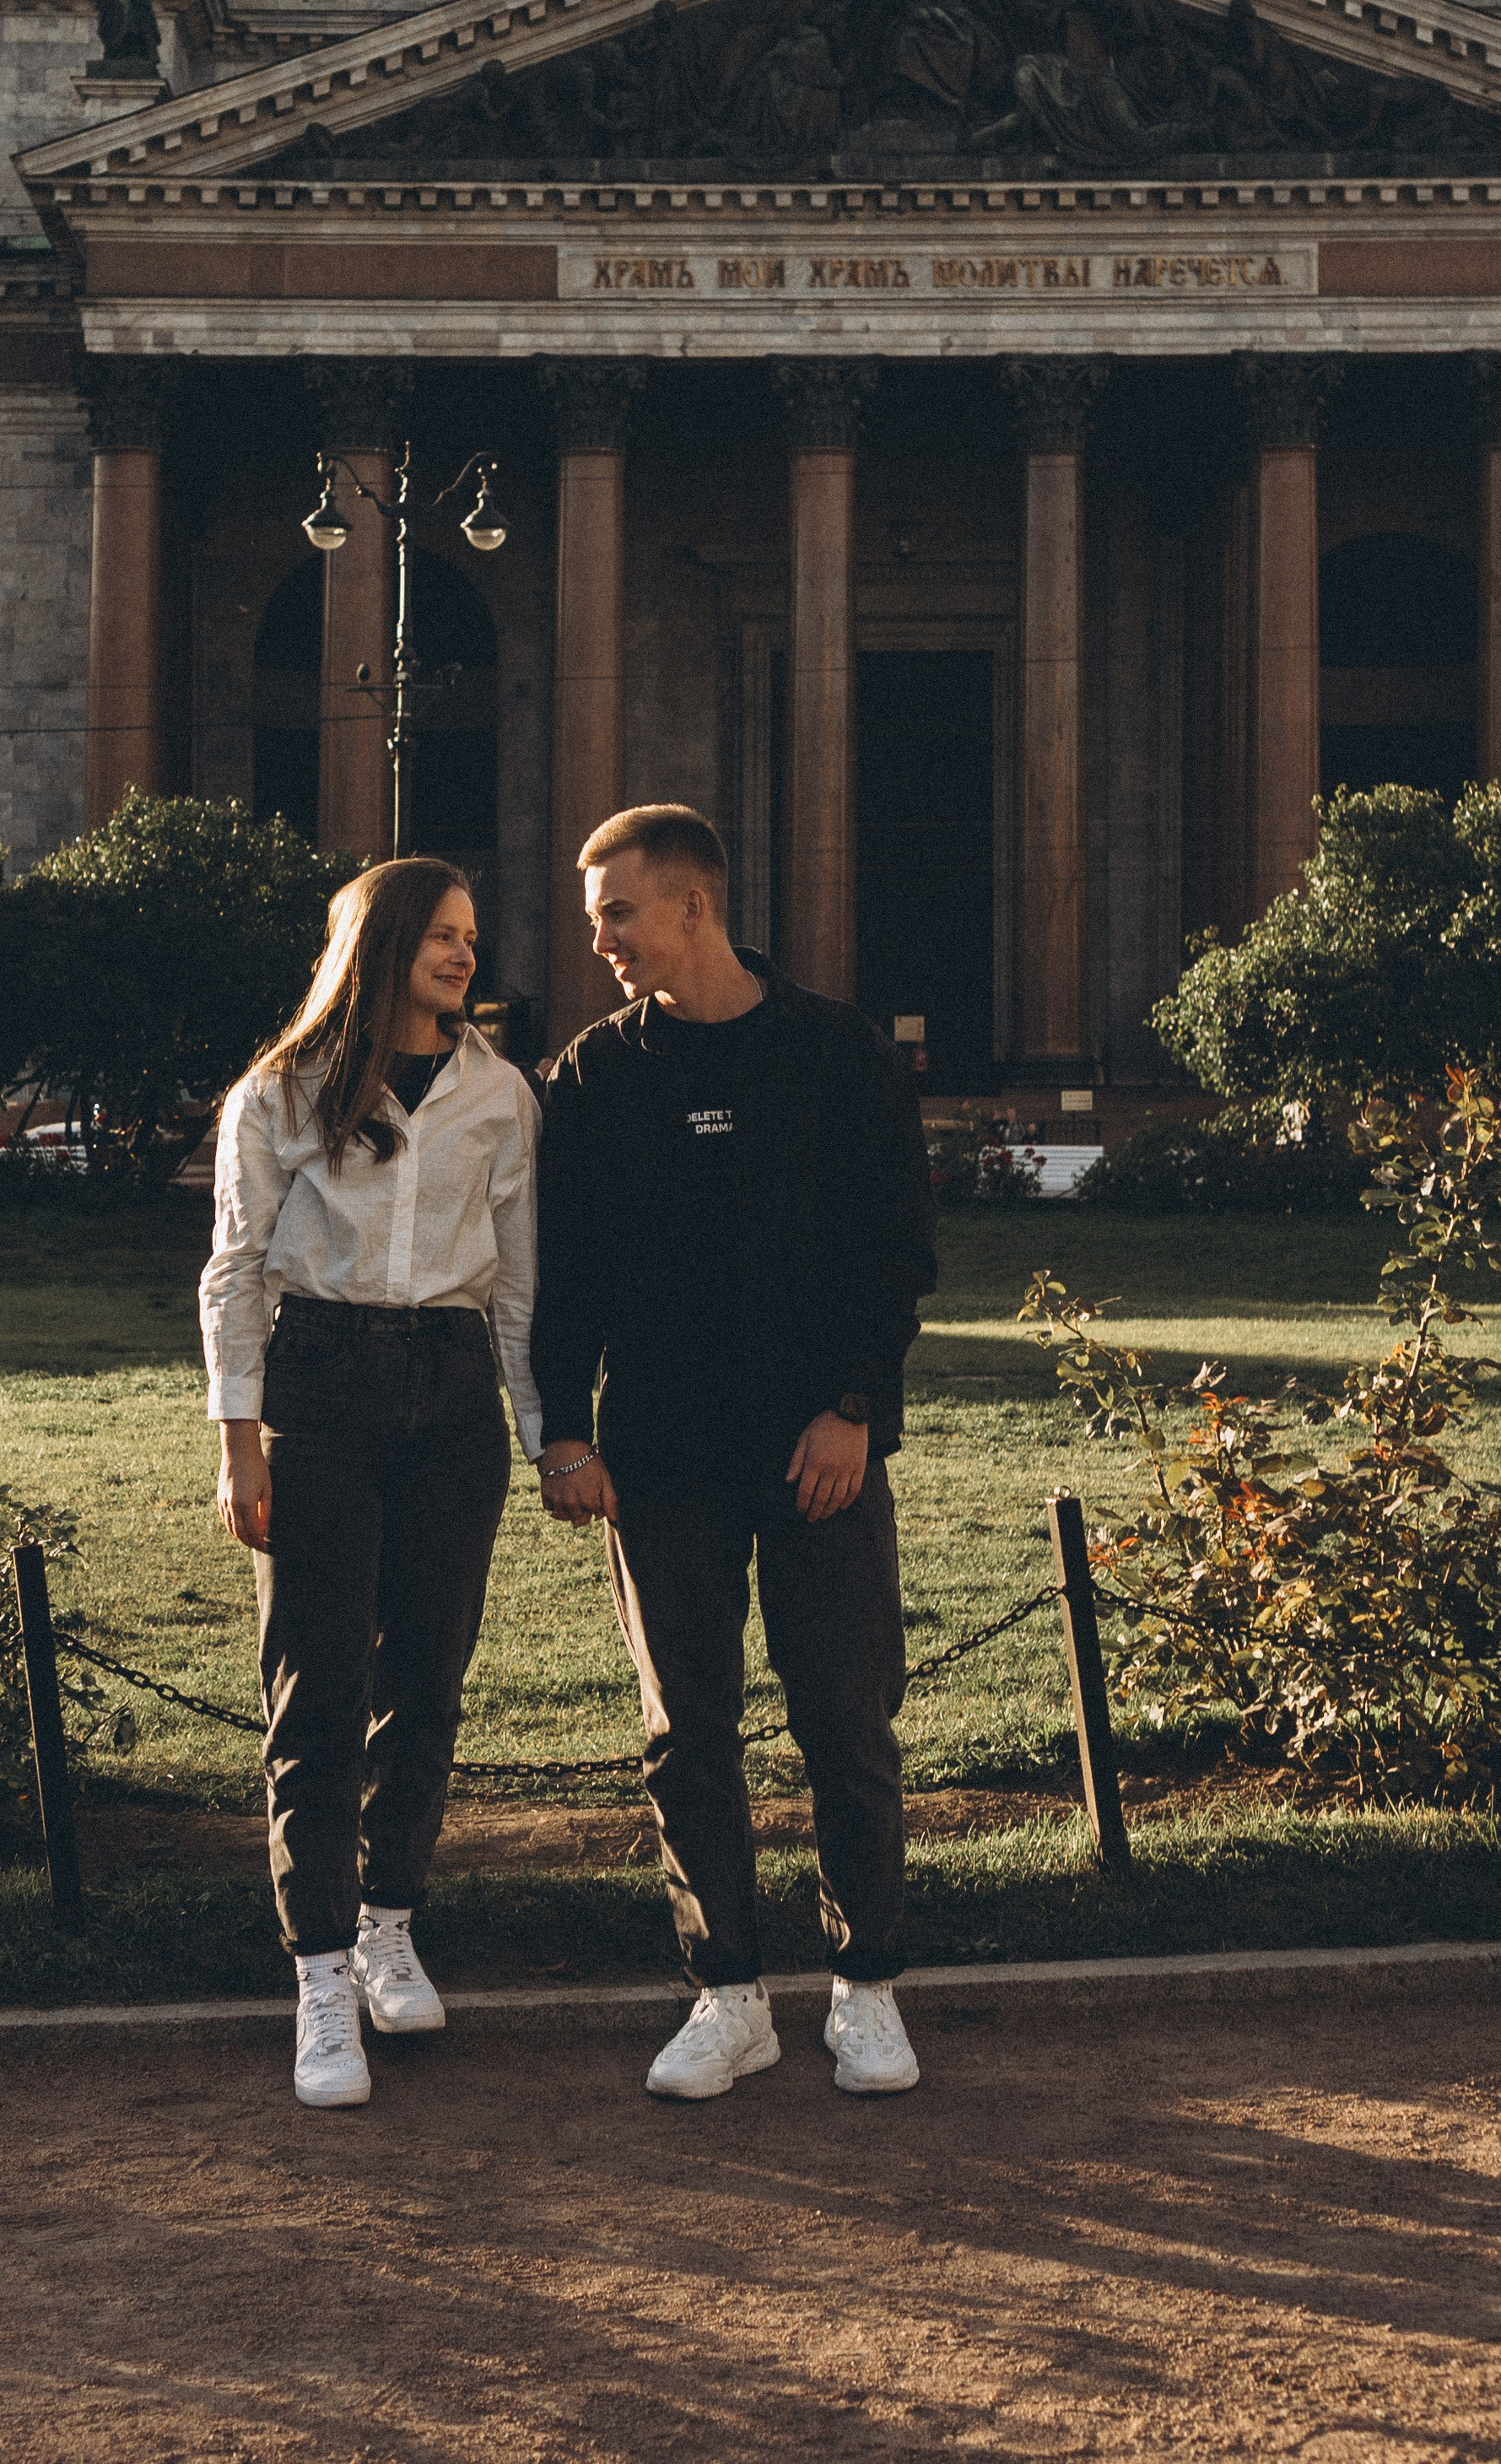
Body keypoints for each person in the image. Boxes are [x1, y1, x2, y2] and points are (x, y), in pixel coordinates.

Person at [531, 804, 937, 2102]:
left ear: (693, 905)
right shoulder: (593, 1076)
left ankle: (866, 1989)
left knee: (845, 1723)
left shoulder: (838, 1055)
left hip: (821, 1448)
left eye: (617, 913)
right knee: (685, 1733)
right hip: (661, 1460)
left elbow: (897, 1256)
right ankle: (728, 1997)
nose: (598, 939)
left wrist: (855, 1408)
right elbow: (563, 1276)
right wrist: (563, 1429)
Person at [200, 859, 542, 2110]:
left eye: (469, 934)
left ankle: (393, 1924)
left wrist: (547, 1433)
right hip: (322, 1389)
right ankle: (321, 1974)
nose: (462, 954)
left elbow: (514, 1283)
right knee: (317, 1690)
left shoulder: (500, 1095)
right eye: (439, 936)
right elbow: (234, 1273)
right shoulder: (282, 1094)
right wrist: (239, 1442)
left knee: (427, 1682)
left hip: (451, 1395)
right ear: (380, 945)